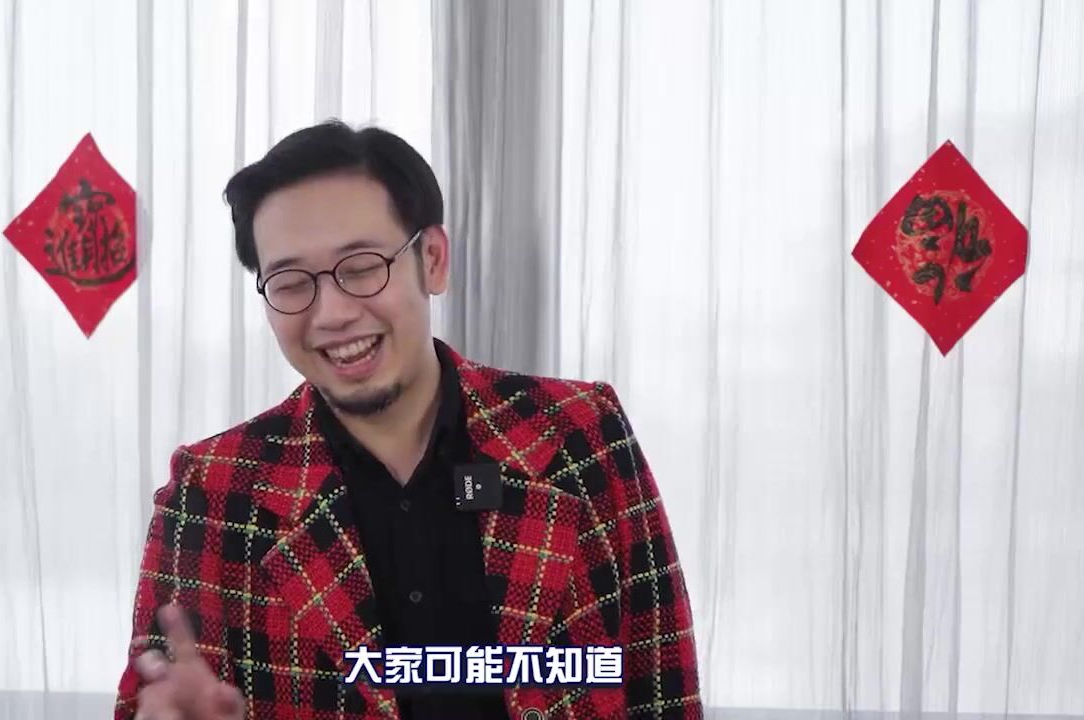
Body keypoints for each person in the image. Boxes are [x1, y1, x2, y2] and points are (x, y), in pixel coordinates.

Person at [114, 121, 703, 720]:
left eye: (361, 267)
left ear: (433, 260)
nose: (332, 313)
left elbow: (664, 687)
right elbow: (162, 699)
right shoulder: (213, 492)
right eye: (290, 283)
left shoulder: (579, 432)